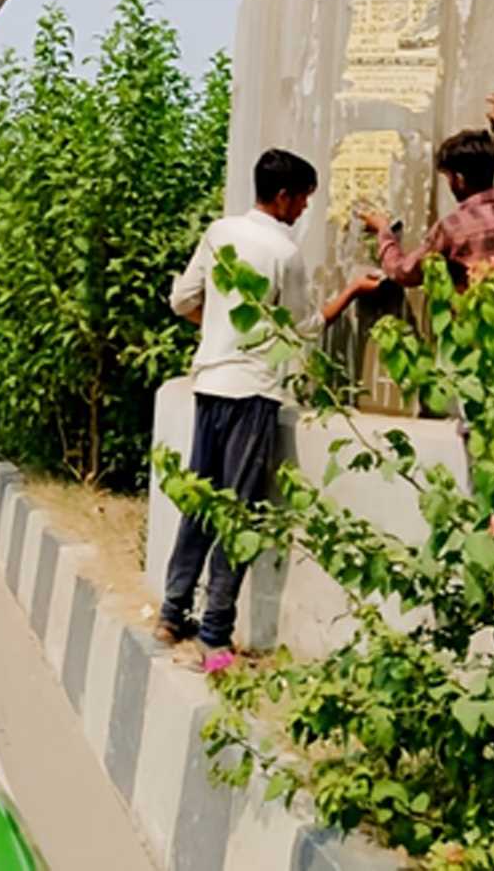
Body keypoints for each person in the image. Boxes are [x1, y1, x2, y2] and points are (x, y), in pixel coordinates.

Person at [156, 148, 383, 672]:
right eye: (302, 199)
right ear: (283, 197)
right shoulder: (285, 253)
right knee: (238, 511)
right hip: (253, 393)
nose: (303, 209)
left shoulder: (219, 233)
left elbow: (182, 301)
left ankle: (171, 612)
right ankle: (215, 632)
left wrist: (221, 331)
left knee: (201, 502)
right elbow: (302, 328)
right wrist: (351, 290)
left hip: (210, 384)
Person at [360, 95, 494, 293]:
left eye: (448, 177)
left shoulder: (453, 229)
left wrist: (383, 231)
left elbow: (404, 272)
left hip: (474, 314)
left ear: (459, 179)